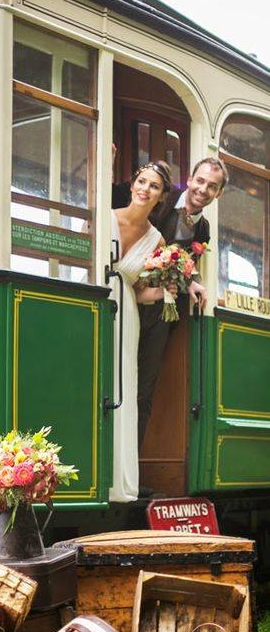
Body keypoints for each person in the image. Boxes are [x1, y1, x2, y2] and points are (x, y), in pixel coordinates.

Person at [137, 157, 228, 448]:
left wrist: (194, 282)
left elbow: (186, 266)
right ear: (189, 179)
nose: (203, 189)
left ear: (219, 194)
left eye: (212, 186)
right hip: (133, 297)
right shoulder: (161, 198)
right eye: (200, 181)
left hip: (164, 311)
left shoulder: (204, 230)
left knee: (145, 389)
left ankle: (131, 474)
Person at [110, 161, 175, 502]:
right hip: (94, 303)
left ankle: (116, 475)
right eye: (141, 181)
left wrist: (167, 291)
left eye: (153, 186)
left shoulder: (157, 240)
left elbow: (140, 290)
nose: (144, 189)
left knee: (122, 387)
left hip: (127, 315)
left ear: (161, 197)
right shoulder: (104, 216)